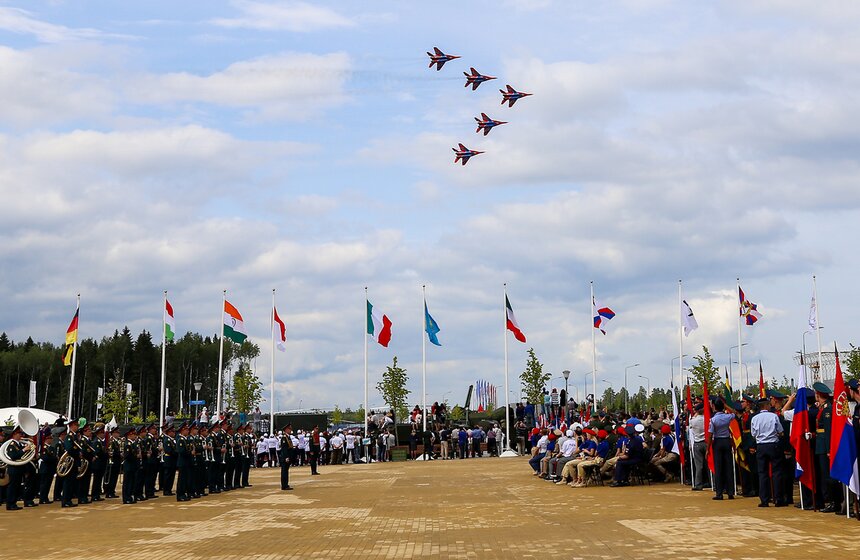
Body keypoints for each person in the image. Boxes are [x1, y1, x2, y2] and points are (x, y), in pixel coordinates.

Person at [813, 382, 842, 513]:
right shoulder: (823, 409)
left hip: (825, 446)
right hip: (821, 445)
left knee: (828, 476)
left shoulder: (827, 410)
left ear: (818, 394)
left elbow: (829, 430)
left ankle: (832, 501)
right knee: (824, 475)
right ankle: (830, 500)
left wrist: (830, 449)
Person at [751, 397, 786, 507]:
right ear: (766, 406)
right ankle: (778, 499)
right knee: (777, 472)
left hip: (761, 446)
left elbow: (753, 434)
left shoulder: (754, 418)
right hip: (773, 445)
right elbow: (780, 431)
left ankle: (764, 500)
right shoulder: (774, 416)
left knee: (762, 473)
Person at [708, 399, 736, 500]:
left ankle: (719, 493)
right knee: (728, 467)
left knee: (718, 468)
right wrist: (726, 406)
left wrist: (708, 448)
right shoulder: (728, 417)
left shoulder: (713, 420)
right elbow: (735, 413)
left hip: (718, 442)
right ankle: (730, 492)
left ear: (714, 407)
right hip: (727, 441)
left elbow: (710, 435)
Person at [688, 404, 707, 491]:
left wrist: (694, 415)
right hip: (706, 442)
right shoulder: (707, 419)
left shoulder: (693, 420)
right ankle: (713, 482)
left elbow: (690, 426)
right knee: (709, 464)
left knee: (698, 465)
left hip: (697, 443)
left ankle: (698, 484)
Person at [278, 424, 294, 490]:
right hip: (285, 457)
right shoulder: (284, 438)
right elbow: (284, 449)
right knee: (284, 471)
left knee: (286, 471)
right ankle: (284, 485)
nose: (290, 430)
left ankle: (286, 484)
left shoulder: (288, 437)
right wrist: (286, 457)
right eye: (289, 429)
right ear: (286, 430)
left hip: (288, 456)